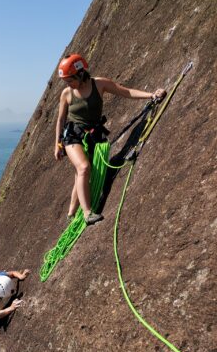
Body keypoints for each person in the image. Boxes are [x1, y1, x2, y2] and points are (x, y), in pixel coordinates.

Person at [54, 54, 166, 225]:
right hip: (72, 136)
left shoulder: (99, 84)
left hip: (93, 135)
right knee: (84, 167)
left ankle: (71, 211)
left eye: (69, 80)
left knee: (79, 174)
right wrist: (58, 143)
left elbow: (125, 92)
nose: (67, 84)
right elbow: (61, 119)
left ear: (80, 73)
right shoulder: (67, 93)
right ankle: (87, 213)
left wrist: (151, 95)